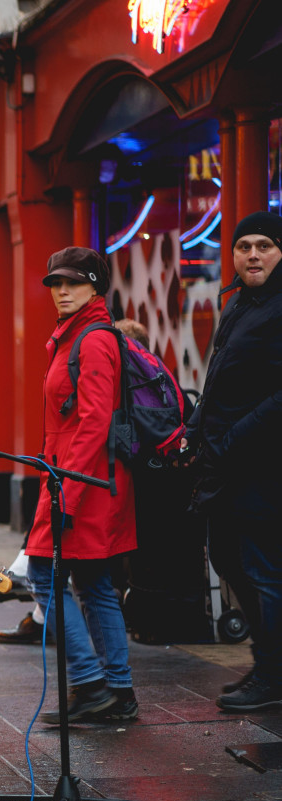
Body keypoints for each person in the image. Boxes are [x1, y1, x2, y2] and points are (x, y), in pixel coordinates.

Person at [25, 247, 139, 723]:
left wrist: (65, 493)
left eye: (73, 282)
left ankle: (92, 683)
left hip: (82, 484)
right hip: (80, 479)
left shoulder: (92, 339)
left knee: (42, 578)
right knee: (93, 585)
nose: (62, 291)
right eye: (55, 283)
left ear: (96, 286)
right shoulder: (71, 335)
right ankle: (119, 691)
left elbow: (93, 424)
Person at [188, 212, 282, 712]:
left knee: (263, 569)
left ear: (280, 251)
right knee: (228, 559)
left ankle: (273, 675)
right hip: (221, 462)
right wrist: (196, 428)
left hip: (263, 466)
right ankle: (267, 660)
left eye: (263, 245)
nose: (252, 254)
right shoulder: (239, 303)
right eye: (243, 245)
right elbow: (221, 378)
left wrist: (233, 438)